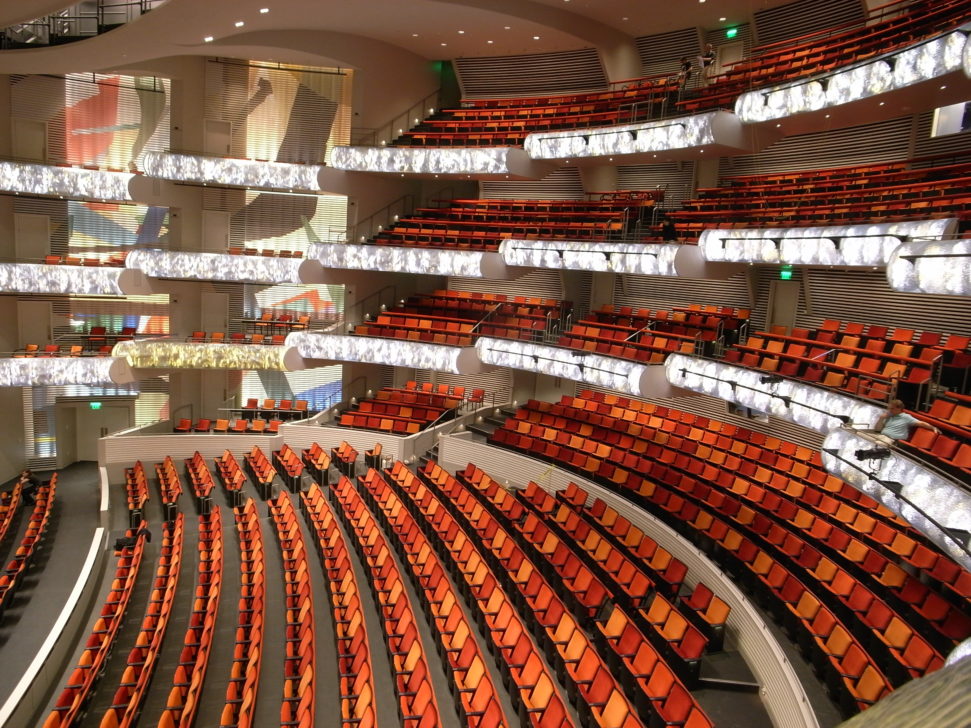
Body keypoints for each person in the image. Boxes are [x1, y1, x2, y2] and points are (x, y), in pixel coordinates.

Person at [870, 399, 938, 445]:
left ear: (899, 409)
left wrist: (933, 427)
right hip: (881, 435)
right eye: (889, 408)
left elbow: (921, 423)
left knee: (876, 444)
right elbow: (877, 429)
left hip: (892, 440)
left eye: (892, 408)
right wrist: (881, 418)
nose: (889, 410)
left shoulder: (906, 417)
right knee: (861, 435)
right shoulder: (888, 416)